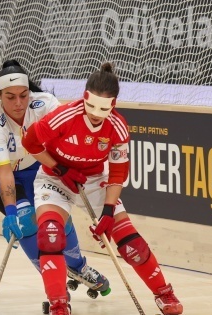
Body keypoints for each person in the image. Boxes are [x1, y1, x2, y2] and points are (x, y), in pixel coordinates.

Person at [21, 62, 183, 315]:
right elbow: (30, 141)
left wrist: (108, 212)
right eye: (91, 105)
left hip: (95, 180)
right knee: (50, 235)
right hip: (54, 178)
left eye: (104, 108)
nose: (96, 113)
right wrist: (60, 169)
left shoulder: (117, 127)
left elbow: (118, 172)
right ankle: (59, 304)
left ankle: (165, 294)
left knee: (132, 244)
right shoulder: (64, 116)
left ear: (114, 105)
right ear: (84, 97)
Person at [0, 59, 110, 305]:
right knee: (25, 221)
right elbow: (4, 173)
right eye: (10, 97)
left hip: (33, 164)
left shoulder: (45, 104)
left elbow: (69, 134)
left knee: (54, 212)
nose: (18, 103)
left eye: (23, 95)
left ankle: (78, 265)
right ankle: (54, 288)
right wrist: (11, 212)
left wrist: (67, 166)